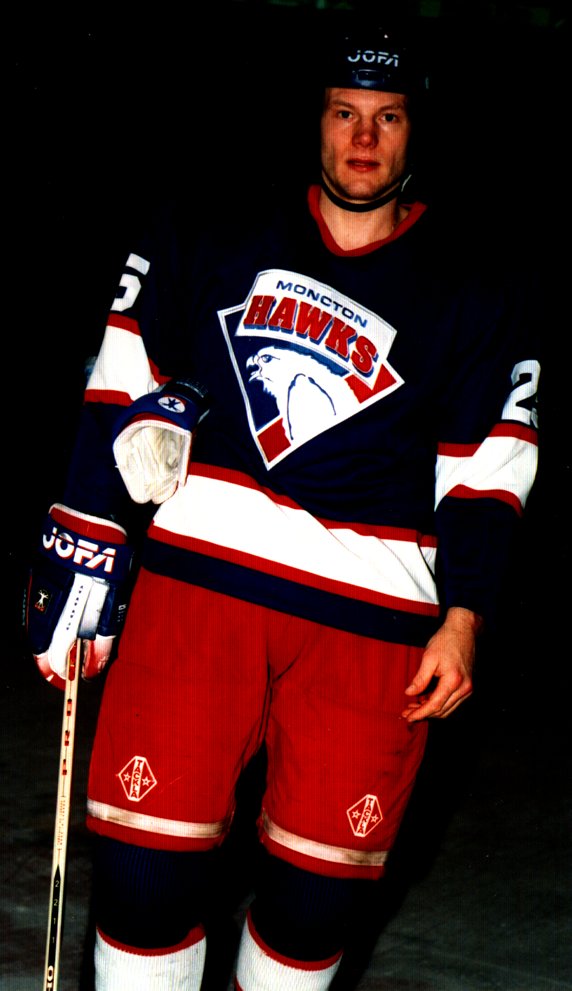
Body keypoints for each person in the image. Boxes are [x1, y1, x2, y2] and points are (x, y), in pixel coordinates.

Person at [26, 22, 540, 991]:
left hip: (372, 618)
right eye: (344, 113)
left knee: (317, 905)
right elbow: (121, 375)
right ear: (315, 122)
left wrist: (465, 614)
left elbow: (489, 464)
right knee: (143, 879)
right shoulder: (209, 229)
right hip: (199, 585)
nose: (362, 139)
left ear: (415, 133)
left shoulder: (476, 285)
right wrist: (87, 535)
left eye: (387, 118)